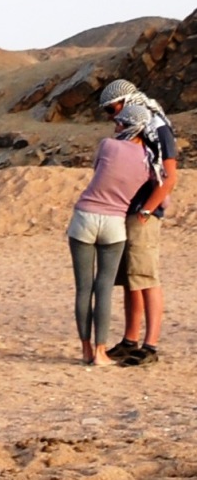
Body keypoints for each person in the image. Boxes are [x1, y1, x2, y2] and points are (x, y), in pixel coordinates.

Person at [99, 78, 176, 365]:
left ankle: (150, 346)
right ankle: (130, 341)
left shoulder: (158, 128)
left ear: (127, 102)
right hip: (125, 210)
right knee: (130, 280)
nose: (111, 117)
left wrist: (147, 211)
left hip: (143, 214)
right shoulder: (132, 129)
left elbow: (169, 177)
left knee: (146, 277)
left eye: (112, 109)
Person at [67, 123, 146, 363]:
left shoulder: (108, 145)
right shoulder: (148, 159)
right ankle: (101, 351)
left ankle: (86, 349)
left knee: (83, 288)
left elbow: (98, 171)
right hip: (115, 221)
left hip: (85, 216)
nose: (116, 125)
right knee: (104, 288)